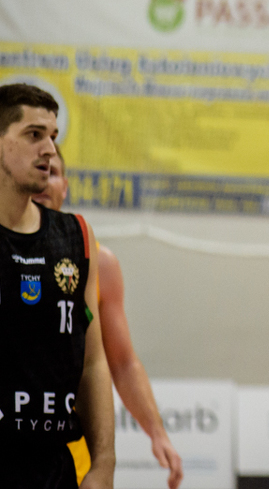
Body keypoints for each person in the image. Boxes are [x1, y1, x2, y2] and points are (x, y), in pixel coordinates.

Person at [34, 152, 184, 489]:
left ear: (65, 186)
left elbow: (122, 362)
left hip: (67, 448)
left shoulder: (97, 261)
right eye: (38, 169)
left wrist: (157, 432)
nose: (43, 180)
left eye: (53, 172)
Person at [1, 84, 115, 489]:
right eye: (34, 135)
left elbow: (94, 362)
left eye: (52, 136)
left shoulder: (76, 236)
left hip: (53, 467)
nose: (49, 149)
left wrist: (104, 464)